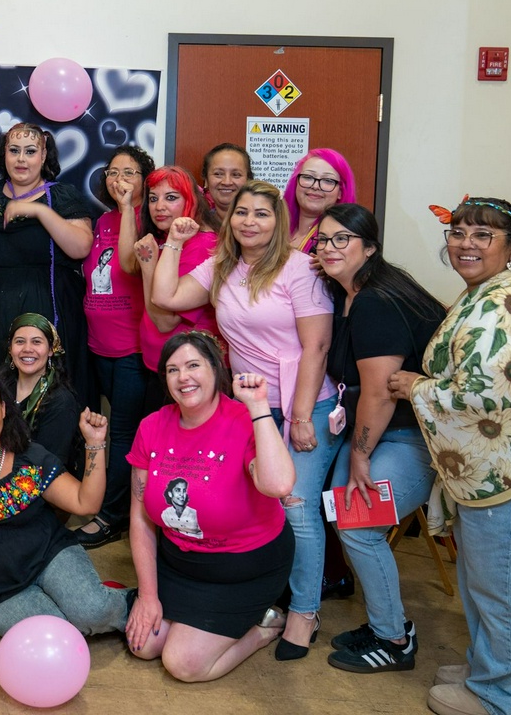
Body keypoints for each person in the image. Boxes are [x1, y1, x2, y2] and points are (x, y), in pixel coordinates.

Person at [151, 180, 335, 660]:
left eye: (262, 213)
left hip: (301, 403)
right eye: (241, 213)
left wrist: (298, 415)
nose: (250, 221)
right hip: (249, 405)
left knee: (295, 505)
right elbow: (166, 296)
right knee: (251, 505)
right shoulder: (223, 265)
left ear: (279, 222)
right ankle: (259, 601)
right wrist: (174, 239)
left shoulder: (300, 268)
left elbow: (316, 345)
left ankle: (303, 614)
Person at [388, 197, 511, 715]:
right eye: (458, 232)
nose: (466, 243)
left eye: (483, 235)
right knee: (484, 582)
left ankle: (505, 697)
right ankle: (489, 670)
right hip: (502, 463)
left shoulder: (503, 305)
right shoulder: (495, 290)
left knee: (507, 593)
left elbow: (487, 397)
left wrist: (418, 387)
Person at [311, 203, 446, 674]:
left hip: (410, 438)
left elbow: (380, 392)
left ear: (369, 247)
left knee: (356, 521)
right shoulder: (347, 290)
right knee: (333, 505)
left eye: (342, 239)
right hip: (384, 433)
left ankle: (394, 639)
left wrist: (361, 458)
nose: (329, 248)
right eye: (323, 239)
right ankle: (379, 620)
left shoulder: (375, 300)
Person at [125, 333, 296, 682]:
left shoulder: (243, 420)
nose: (183, 377)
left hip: (243, 569)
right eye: (172, 370)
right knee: (144, 646)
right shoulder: (152, 427)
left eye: (192, 365)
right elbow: (141, 519)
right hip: (180, 565)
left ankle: (263, 629)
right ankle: (193, 623)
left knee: (183, 664)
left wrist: (259, 407)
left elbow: (278, 485)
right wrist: (148, 595)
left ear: (215, 368)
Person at [0, 377, 130, 636]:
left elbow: (85, 503)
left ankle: (131, 604)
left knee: (93, 612)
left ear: (3, 410)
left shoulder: (28, 456)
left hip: (47, 556)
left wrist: (95, 443)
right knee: (55, 634)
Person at [0, 123, 93, 394]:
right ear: (4, 155)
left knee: (48, 393)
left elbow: (81, 247)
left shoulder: (61, 195)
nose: (21, 159)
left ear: (43, 155)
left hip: (48, 306)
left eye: (30, 151)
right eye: (14, 151)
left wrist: (38, 212)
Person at [78, 144, 154, 549]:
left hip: (132, 350)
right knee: (103, 430)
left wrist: (128, 209)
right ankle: (106, 504)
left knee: (123, 434)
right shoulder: (101, 219)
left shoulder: (150, 220)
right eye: (112, 172)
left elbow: (128, 265)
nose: (118, 179)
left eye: (128, 172)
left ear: (145, 179)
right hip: (97, 345)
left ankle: (112, 516)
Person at [125, 165, 220, 392]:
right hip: (161, 362)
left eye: (171, 198)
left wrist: (149, 267)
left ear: (191, 201)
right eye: (153, 198)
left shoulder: (201, 246)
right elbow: (127, 265)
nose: (159, 207)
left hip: (185, 371)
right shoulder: (170, 238)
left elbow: (165, 321)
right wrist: (126, 207)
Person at [0, 313, 80, 464]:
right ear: (10, 349)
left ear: (51, 350)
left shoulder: (61, 401)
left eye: (36, 342)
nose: (27, 349)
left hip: (35, 480)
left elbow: (48, 463)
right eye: (20, 342)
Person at [282, 148, 357, 252]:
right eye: (308, 177)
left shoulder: (343, 240)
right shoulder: (276, 228)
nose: (316, 186)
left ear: (340, 192)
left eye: (327, 180)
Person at [201, 143, 252, 223]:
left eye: (236, 175)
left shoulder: (262, 225)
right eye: (218, 174)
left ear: (248, 179)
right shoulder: (195, 227)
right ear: (206, 180)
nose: (227, 182)